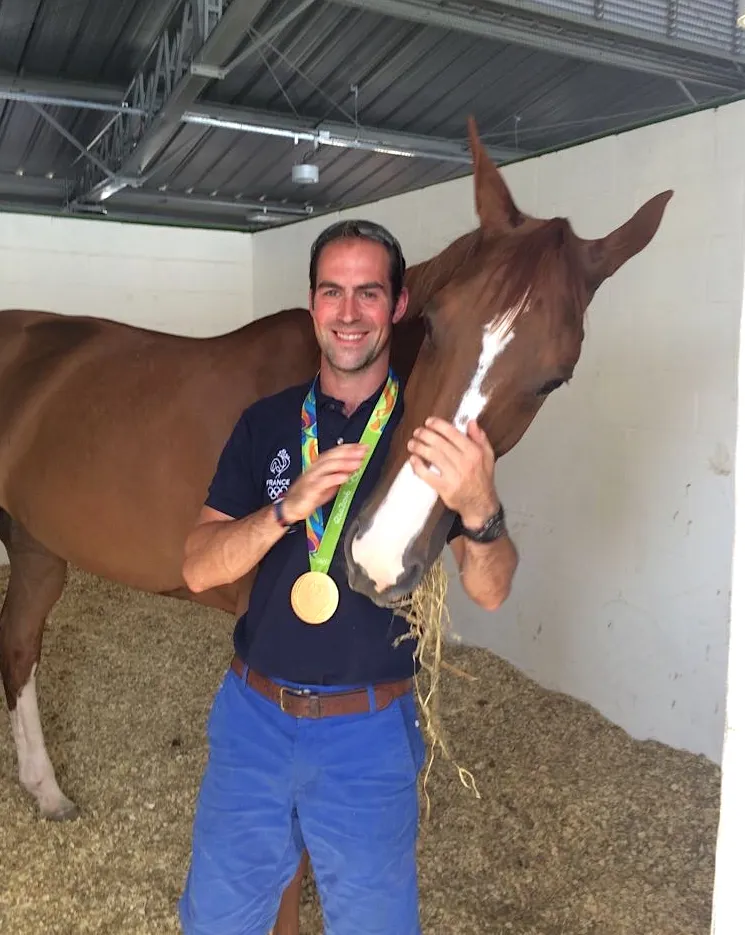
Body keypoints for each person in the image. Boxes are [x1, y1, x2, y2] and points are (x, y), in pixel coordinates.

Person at [178, 219, 519, 935]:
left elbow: (490, 588)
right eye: (332, 292)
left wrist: (480, 505)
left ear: (397, 307)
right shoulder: (268, 424)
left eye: (369, 293)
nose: (348, 312)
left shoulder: (428, 437)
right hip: (253, 722)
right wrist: (285, 507)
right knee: (215, 922)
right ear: (312, 304)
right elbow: (198, 565)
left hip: (366, 736)